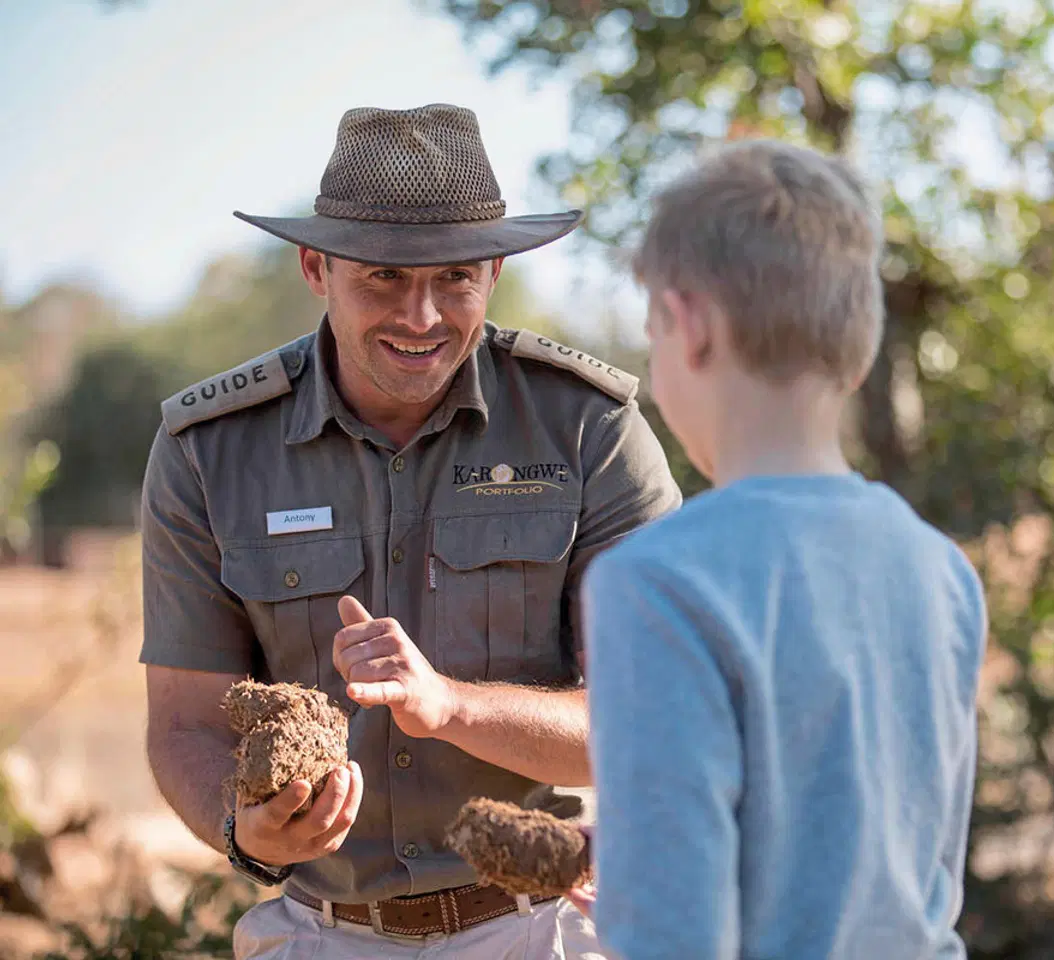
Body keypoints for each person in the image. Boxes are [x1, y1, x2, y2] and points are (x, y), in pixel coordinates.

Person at [138, 103, 681, 959]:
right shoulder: (208, 451)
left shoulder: (590, 430)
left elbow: (648, 726)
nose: (422, 317)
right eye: (383, 279)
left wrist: (449, 705)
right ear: (315, 267)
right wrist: (246, 829)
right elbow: (184, 722)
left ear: (495, 269)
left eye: (455, 278)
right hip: (319, 933)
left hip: (541, 930)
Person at [568, 139, 989, 959]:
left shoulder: (652, 582)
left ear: (688, 327)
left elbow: (673, 938)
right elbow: (911, 878)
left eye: (652, 329)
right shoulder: (941, 569)